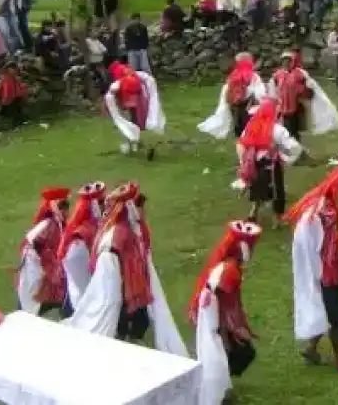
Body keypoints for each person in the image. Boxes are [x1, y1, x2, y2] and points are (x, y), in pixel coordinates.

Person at [65, 183, 188, 356]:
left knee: (139, 324)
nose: (144, 209)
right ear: (130, 207)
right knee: (122, 331)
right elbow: (107, 278)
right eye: (139, 204)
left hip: (134, 294)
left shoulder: (133, 230)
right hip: (122, 296)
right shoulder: (115, 238)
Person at [283, 155, 338, 374]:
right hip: (326, 273)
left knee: (328, 310)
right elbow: (305, 241)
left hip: (336, 270)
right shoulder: (321, 212)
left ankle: (312, 349)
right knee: (337, 319)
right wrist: (316, 272)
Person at [189, 220, 262, 405]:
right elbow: (225, 305)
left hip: (211, 310)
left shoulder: (229, 266)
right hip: (212, 312)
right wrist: (229, 334)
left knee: (217, 349)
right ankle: (215, 392)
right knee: (217, 349)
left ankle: (220, 387)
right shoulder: (231, 271)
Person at [233, 98, 304, 227]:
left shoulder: (251, 126)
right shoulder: (277, 129)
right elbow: (294, 148)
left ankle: (253, 213)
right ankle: (277, 219)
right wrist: (287, 158)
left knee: (255, 188)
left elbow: (241, 144)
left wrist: (243, 162)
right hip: (271, 164)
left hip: (254, 165)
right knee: (277, 191)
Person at [15, 187, 72, 317]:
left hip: (40, 266)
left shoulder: (57, 223)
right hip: (34, 266)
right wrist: (49, 264)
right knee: (31, 295)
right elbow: (35, 243)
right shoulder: (49, 224)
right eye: (63, 206)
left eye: (67, 206)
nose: (67, 210)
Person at [268, 50, 338, 145]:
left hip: (297, 106)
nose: (286, 63)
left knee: (294, 129)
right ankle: (291, 148)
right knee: (286, 129)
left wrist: (304, 91)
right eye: (284, 61)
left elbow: (309, 89)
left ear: (292, 61)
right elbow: (273, 89)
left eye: (288, 61)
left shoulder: (299, 73)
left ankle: (296, 148)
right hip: (283, 107)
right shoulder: (278, 75)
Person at [57, 182, 107, 309]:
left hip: (74, 257)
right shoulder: (88, 226)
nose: (105, 205)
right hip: (78, 256)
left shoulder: (85, 222)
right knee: (85, 295)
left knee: (76, 292)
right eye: (101, 202)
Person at [198, 52, 268, 140]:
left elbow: (226, 90)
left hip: (235, 105)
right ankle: (248, 143)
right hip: (249, 105)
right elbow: (260, 92)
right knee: (249, 126)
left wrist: (226, 103)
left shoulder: (233, 75)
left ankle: (240, 142)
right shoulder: (253, 76)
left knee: (238, 125)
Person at [103, 61, 166, 158]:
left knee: (129, 120)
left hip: (129, 95)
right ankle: (135, 141)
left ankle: (133, 142)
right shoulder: (128, 70)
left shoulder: (117, 79)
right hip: (138, 93)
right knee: (135, 118)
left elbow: (115, 89)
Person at [0, 61, 28, 129]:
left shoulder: (14, 78)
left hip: (14, 101)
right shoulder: (6, 78)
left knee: (15, 119)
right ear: (8, 69)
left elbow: (20, 91)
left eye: (15, 68)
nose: (14, 70)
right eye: (12, 68)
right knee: (10, 120)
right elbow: (5, 92)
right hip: (9, 101)